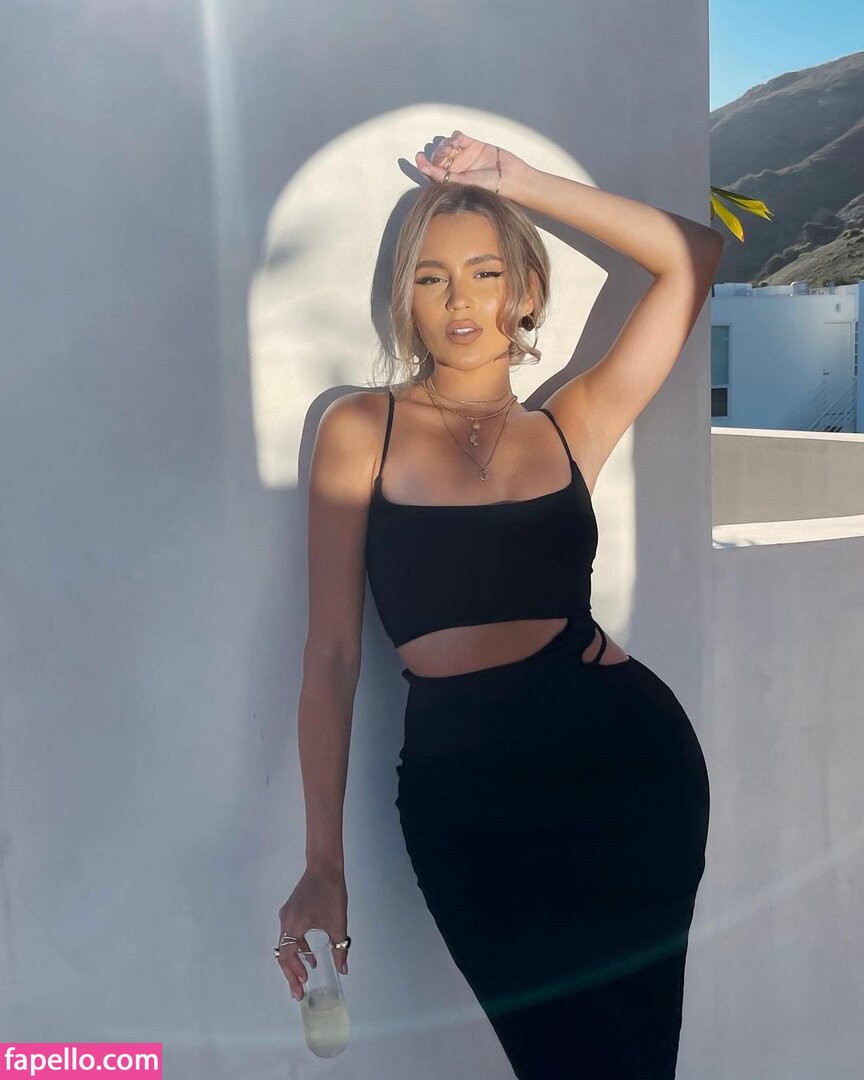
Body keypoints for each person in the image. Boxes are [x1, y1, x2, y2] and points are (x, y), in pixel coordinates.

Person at [275, 129, 723, 1078]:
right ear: (405, 299)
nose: (460, 301)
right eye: (432, 278)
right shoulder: (361, 429)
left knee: (636, 1061)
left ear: (525, 290)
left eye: (485, 273)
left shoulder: (572, 424)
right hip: (470, 802)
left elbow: (694, 257)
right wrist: (323, 862)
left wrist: (518, 181)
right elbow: (333, 657)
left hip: (628, 773)